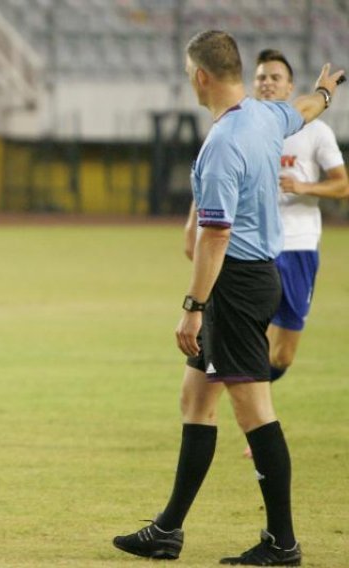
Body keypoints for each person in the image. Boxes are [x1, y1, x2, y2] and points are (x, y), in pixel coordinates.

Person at [113, 30, 343, 565]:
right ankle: (168, 529)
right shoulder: (266, 115)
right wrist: (326, 93)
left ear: (200, 76)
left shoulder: (221, 145)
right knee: (196, 399)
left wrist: (192, 308)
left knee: (254, 409)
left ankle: (282, 542)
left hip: (235, 284)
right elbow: (304, 109)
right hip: (256, 275)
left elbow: (213, 238)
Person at [185, 50, 348, 385]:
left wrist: (303, 186)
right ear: (250, 83)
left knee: (281, 354)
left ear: (290, 88)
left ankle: (250, 412)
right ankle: (248, 419)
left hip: (296, 246)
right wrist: (193, 221)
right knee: (237, 350)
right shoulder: (241, 126)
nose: (267, 83)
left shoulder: (310, 131)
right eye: (261, 77)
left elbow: (342, 184)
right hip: (247, 253)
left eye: (276, 77)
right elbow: (214, 180)